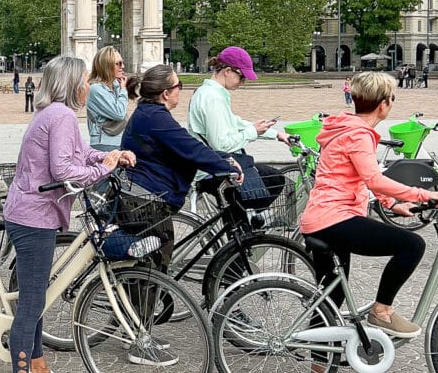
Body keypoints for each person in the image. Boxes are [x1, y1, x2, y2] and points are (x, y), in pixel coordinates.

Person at [298, 71, 438, 373]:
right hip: (334, 218)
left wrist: (391, 204)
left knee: (332, 295)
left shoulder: (346, 128)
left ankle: (318, 371)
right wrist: (426, 195)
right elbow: (374, 178)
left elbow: (358, 175)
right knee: (411, 245)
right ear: (384, 105)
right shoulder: (359, 134)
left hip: (322, 217)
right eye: (392, 98)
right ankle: (382, 311)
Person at [2, 55, 134, 373]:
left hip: (33, 212)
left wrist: (111, 155)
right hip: (34, 216)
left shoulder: (54, 113)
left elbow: (79, 153)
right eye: (86, 80)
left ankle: (39, 368)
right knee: (31, 300)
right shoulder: (59, 115)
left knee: (39, 292)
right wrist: (102, 171)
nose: (89, 85)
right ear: (74, 83)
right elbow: (63, 169)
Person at [121, 64, 243, 270]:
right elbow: (191, 149)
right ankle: (138, 303)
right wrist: (226, 166)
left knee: (151, 263)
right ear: (166, 93)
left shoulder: (150, 112)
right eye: (179, 85)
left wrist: (223, 159)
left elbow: (184, 145)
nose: (181, 90)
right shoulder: (156, 117)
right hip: (146, 199)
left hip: (141, 193)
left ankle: (144, 299)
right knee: (154, 266)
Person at [186, 47, 289, 206]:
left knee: (265, 180)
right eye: (241, 77)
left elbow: (234, 122)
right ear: (227, 71)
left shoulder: (209, 92)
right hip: (213, 170)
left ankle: (244, 222)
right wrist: (252, 132)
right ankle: (248, 224)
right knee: (274, 178)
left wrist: (274, 134)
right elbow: (221, 144)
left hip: (211, 165)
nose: (242, 82)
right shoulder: (213, 98)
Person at [86, 46, 130, 149]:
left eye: (122, 63)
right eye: (118, 63)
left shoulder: (115, 85)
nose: (122, 66)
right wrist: (123, 90)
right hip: (104, 144)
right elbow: (119, 113)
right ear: (107, 66)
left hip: (118, 141)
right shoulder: (96, 89)